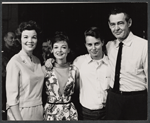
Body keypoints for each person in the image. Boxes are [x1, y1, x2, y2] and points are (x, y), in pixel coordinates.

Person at [106, 6, 148, 120]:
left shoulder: (144, 46)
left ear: (129, 23)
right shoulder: (109, 46)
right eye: (113, 24)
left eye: (120, 23)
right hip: (113, 99)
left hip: (136, 100)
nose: (116, 28)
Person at [6, 20, 45, 120]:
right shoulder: (14, 62)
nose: (30, 41)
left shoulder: (37, 60)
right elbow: (11, 100)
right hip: (21, 113)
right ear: (20, 39)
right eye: (26, 37)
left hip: (39, 111)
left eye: (34, 37)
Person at [73, 27, 110, 120]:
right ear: (85, 45)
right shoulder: (79, 61)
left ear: (102, 42)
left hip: (108, 111)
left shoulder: (111, 62)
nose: (93, 48)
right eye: (90, 44)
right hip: (86, 112)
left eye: (96, 44)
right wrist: (51, 61)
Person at [43, 31, 79, 120]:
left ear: (68, 50)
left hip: (70, 113)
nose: (59, 50)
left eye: (63, 47)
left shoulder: (74, 70)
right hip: (50, 113)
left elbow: (78, 92)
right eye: (56, 47)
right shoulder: (45, 69)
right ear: (52, 50)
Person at [2, 31, 16, 120]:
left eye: (14, 38)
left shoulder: (15, 51)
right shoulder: (2, 52)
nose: (13, 40)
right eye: (11, 38)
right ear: (5, 39)